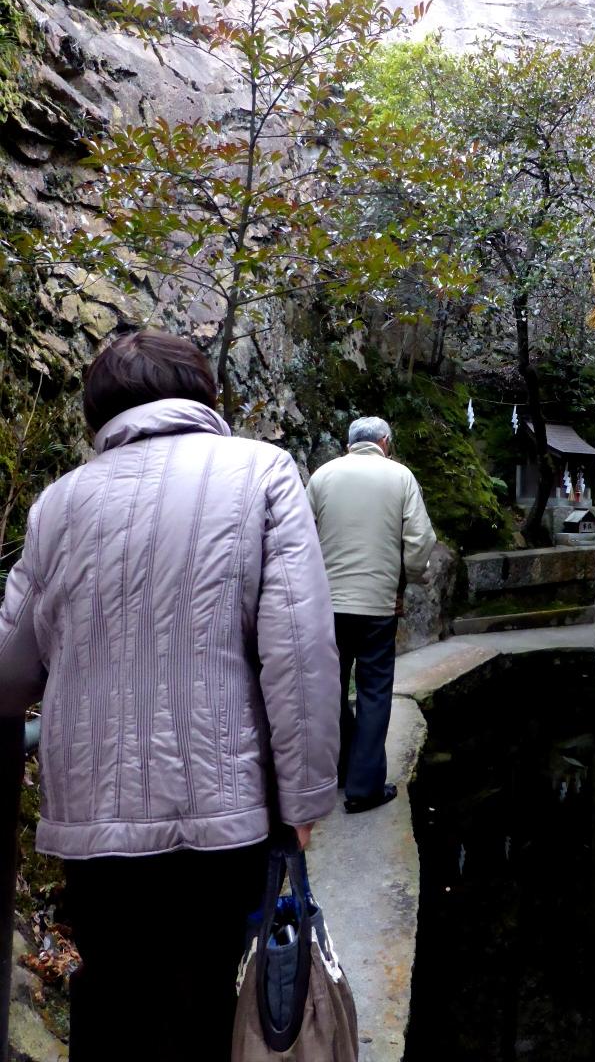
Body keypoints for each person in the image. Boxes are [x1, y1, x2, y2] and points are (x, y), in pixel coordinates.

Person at [0, 330, 341, 1062]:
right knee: (209, 997)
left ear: (99, 411)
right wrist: (305, 800)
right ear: (203, 393)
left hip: (92, 813)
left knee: (114, 991)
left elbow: (10, 670)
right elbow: (300, 649)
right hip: (221, 809)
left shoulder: (57, 503)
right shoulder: (262, 472)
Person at [306, 417, 436, 814]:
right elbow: (420, 540)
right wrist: (410, 579)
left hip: (327, 606)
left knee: (330, 690)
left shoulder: (322, 476)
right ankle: (363, 788)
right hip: (379, 606)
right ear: (385, 441)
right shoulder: (400, 477)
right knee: (373, 691)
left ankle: (336, 770)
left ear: (348, 444)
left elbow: (301, 536)